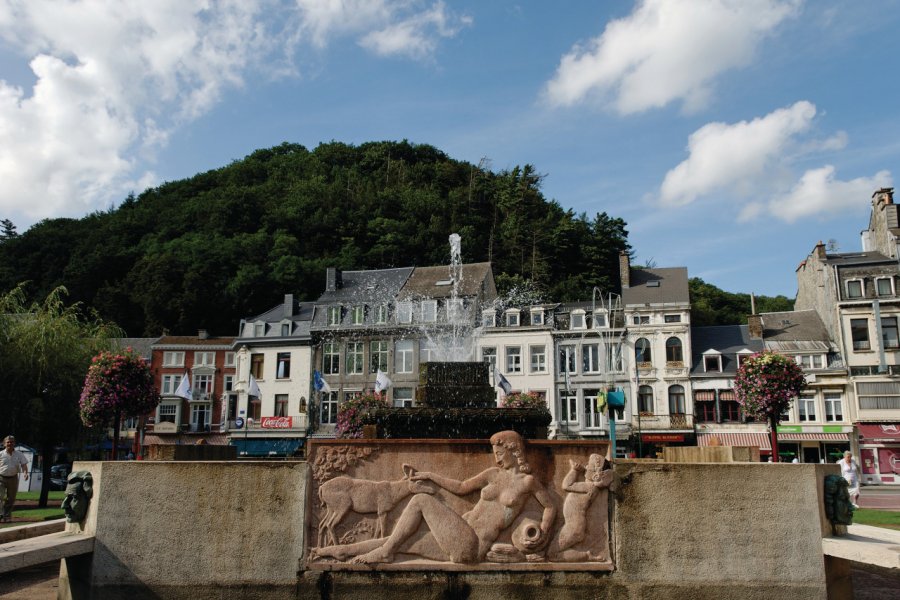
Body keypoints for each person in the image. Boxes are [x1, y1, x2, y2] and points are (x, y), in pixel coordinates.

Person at [314, 430, 556, 564]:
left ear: (514, 451)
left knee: (420, 501)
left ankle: (384, 554)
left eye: (500, 453)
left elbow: (550, 507)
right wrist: (430, 475)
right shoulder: (493, 474)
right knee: (398, 541)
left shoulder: (528, 482)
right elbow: (461, 487)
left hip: (472, 547)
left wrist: (543, 532)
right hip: (459, 535)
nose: (497, 459)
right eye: (494, 453)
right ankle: (337, 552)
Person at [1, 435, 29, 520]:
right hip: (1, 477)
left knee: (11, 498)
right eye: (8, 442)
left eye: (12, 442)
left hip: (13, 478)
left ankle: (6, 515)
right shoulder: (1, 454)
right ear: (4, 444)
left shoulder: (19, 454)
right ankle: (0, 513)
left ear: (14, 443)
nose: (10, 443)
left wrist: (25, 473)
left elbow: (24, 464)